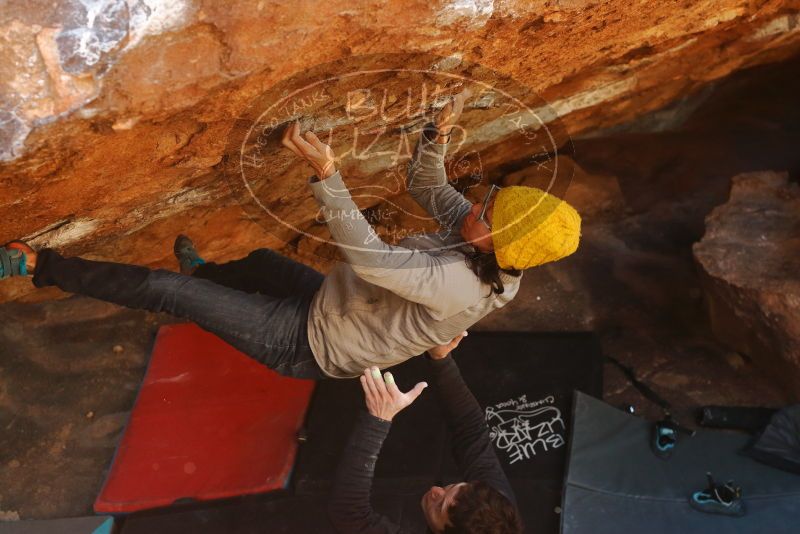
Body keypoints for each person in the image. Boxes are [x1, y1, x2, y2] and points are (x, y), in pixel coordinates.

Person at [0, 90, 580, 379]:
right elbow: (428, 187)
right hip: (336, 305)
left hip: (308, 346)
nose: (476, 206)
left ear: (495, 243)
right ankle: (202, 273)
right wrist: (437, 135)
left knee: (166, 293)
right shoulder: (486, 247)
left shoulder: (461, 280)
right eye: (489, 199)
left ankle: (37, 266)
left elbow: (373, 260)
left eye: (487, 210)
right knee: (255, 261)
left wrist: (329, 175)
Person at [328, 332, 523, 533]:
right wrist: (441, 359)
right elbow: (471, 430)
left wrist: (377, 420)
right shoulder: (497, 513)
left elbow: (349, 514)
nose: (435, 490)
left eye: (439, 506)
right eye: (453, 487)